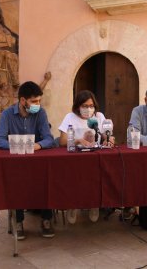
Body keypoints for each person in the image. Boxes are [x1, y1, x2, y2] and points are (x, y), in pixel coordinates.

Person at [0, 81, 55, 240]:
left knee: (47, 179)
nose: (38, 104)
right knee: (16, 182)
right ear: (22, 101)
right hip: (16, 162)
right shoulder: (7, 114)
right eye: (34, 101)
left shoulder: (41, 113)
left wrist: (38, 145)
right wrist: (19, 146)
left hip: (37, 161)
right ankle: (18, 221)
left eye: (39, 101)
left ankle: (46, 219)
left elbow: (49, 138)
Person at [58, 90, 113, 224]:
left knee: (98, 176)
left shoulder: (99, 116)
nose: (89, 109)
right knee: (75, 177)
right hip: (75, 159)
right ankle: (72, 205)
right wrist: (78, 140)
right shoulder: (70, 117)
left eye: (91, 105)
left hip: (94, 157)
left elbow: (107, 135)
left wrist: (109, 139)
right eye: (85, 106)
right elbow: (62, 141)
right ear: (78, 106)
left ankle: (94, 205)